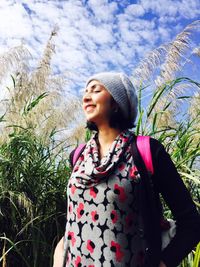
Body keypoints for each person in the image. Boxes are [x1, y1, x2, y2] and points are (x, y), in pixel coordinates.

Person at [53, 72, 200, 267]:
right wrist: (59, 254)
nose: (86, 96)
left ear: (116, 103)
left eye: (96, 90)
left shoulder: (146, 151)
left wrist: (163, 262)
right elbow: (75, 217)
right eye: (85, 91)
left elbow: (191, 223)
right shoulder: (78, 156)